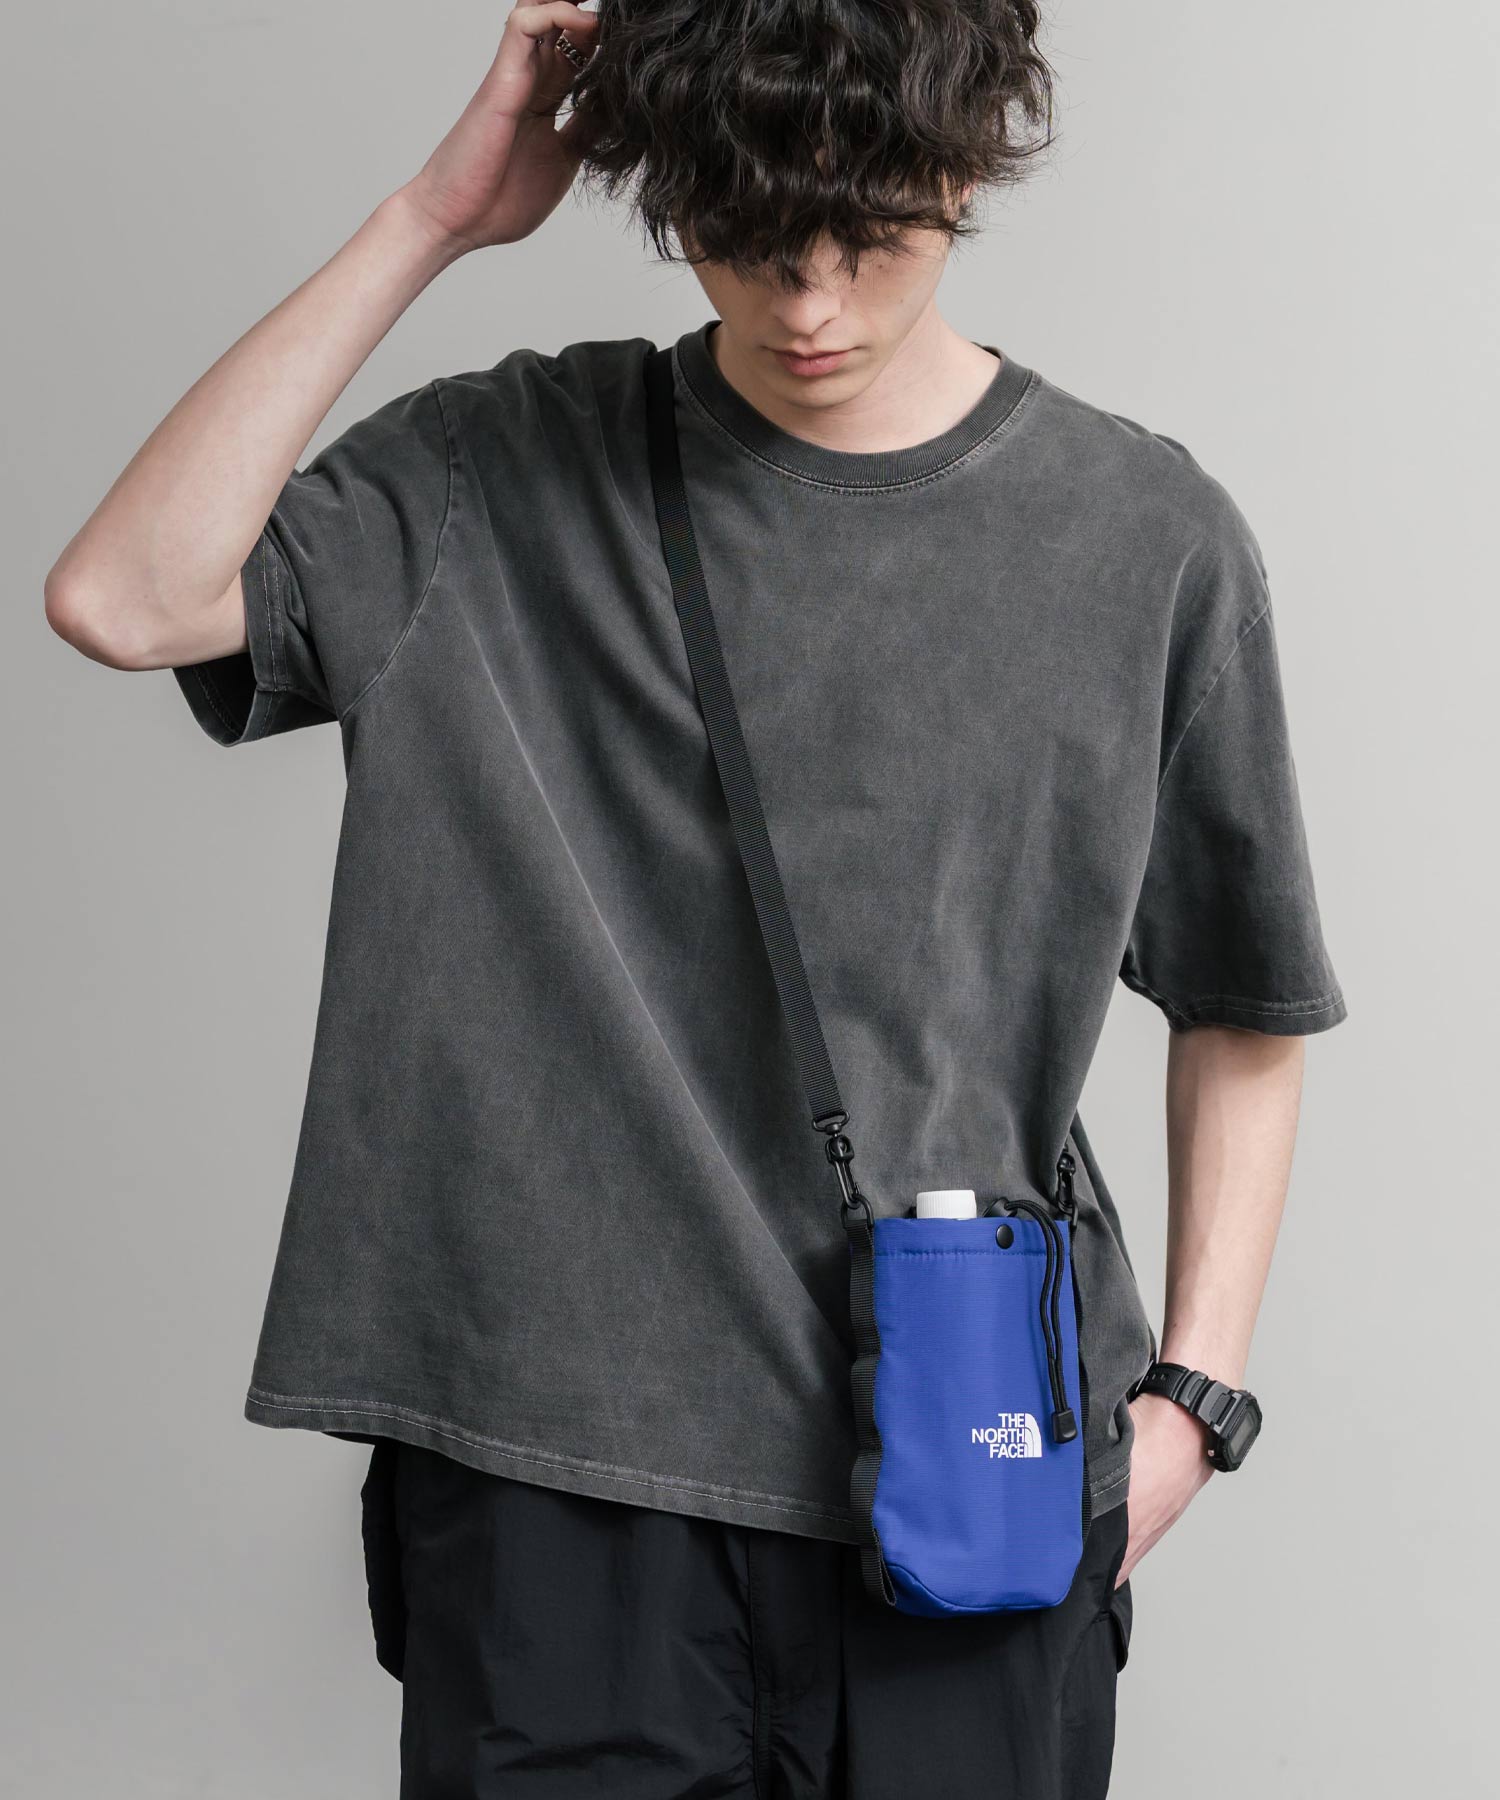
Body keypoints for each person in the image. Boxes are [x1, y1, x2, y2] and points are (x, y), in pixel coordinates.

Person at [43, 3, 1346, 1795]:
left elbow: (1246, 1003)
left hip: (968, 1448)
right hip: (552, 1490)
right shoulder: (495, 474)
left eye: (866, 240)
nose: (809, 305)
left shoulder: (1143, 537)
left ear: (966, 170)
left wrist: (1194, 1399)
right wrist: (434, 215)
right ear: (665, 197)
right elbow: (125, 597)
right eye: (745, 240)